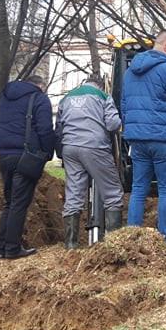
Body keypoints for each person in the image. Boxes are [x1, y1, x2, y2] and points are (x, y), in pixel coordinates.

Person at [121, 30, 166, 244]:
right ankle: (165, 239)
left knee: (138, 189)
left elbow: (124, 105)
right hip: (165, 139)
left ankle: (132, 238)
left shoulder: (130, 72)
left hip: (137, 139)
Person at [55, 75, 124, 249]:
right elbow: (113, 124)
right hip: (95, 147)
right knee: (112, 193)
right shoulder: (103, 96)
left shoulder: (67, 98)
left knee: (74, 194)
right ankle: (113, 245)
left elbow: (59, 127)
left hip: (70, 148)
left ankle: (71, 245)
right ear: (100, 86)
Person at [0, 74, 54, 260]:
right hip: (26, 156)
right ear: (39, 85)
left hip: (5, 154)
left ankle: (1, 247)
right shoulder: (39, 98)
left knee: (9, 201)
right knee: (19, 203)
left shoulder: (4, 96)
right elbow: (45, 129)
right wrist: (48, 152)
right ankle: (12, 248)